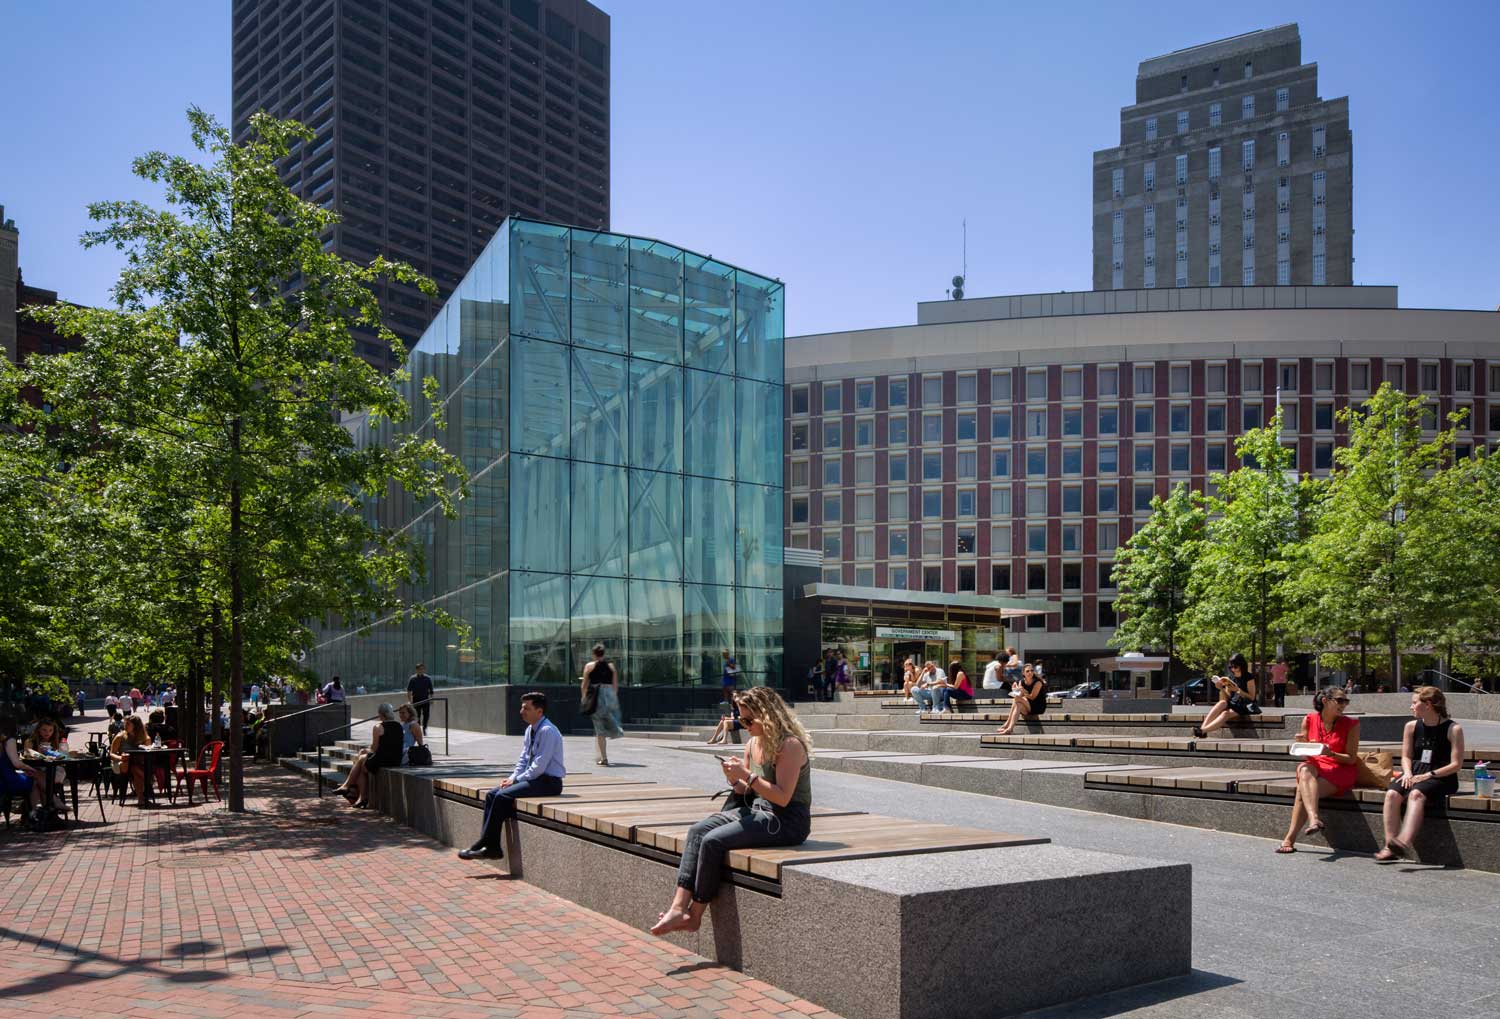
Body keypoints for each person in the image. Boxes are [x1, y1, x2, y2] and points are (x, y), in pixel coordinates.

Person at [650, 687, 812, 936]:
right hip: (758, 810)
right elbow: (745, 792)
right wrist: (734, 780)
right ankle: (678, 907)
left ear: (767, 716)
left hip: (787, 820)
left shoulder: (789, 746)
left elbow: (782, 797)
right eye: (740, 719)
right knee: (697, 831)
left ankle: (695, 915)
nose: (744, 725)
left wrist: (745, 775)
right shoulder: (752, 744)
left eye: (748, 720)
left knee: (713, 841)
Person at [458, 692, 564, 860]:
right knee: (493, 794)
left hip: (549, 782)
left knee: (502, 796)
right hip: (535, 779)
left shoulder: (547, 731)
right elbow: (523, 759)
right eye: (522, 707)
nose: (522, 711)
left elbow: (539, 766)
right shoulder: (531, 729)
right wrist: (513, 777)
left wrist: (517, 780)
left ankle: (490, 846)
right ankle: (486, 843)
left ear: (539, 711)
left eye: (526, 708)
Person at [1377, 687, 1466, 863]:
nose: (1411, 707)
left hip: (1441, 775)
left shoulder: (1453, 729)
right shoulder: (1411, 726)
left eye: (1414, 703)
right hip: (1414, 771)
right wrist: (1408, 773)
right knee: (1392, 794)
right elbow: (1406, 756)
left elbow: (1456, 764)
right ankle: (1389, 846)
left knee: (1416, 794)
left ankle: (1403, 842)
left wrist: (1428, 776)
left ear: (1428, 704)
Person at [1277, 686, 1359, 853]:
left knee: (1302, 790)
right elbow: (1307, 757)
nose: (1344, 705)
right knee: (1305, 768)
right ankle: (1314, 819)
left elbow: (1351, 759)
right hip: (1316, 766)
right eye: (1340, 701)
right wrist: (1303, 744)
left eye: (1346, 701)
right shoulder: (1309, 720)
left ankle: (1290, 838)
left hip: (1340, 769)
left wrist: (1331, 753)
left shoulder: (1351, 724)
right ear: (1325, 701)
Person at [342, 704, 404, 809]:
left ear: (381, 715)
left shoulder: (378, 727)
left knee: (362, 762)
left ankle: (353, 790)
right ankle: (356, 794)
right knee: (362, 754)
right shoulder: (399, 726)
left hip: (382, 760)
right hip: (396, 760)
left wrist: (367, 751)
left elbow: (374, 749)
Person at [1193, 653, 1259, 738]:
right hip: (1234, 703)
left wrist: (1238, 690)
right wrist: (1221, 688)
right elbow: (1228, 697)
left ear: (1241, 665)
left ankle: (1203, 730)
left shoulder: (1248, 677)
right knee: (1222, 703)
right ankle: (1202, 730)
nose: (1233, 669)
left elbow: (1252, 697)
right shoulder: (1230, 677)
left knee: (1225, 714)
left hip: (1245, 704)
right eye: (1231, 667)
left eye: (1235, 667)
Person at [581, 643, 624, 765]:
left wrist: (584, 698)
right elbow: (615, 686)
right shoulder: (611, 667)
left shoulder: (589, 666)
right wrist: (613, 699)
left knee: (599, 729)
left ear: (594, 654)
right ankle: (601, 752)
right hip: (609, 698)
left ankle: (603, 757)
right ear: (604, 654)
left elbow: (584, 684)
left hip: (596, 698)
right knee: (605, 726)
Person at [1, 717, 43, 813]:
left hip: (2, 780)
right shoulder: (9, 739)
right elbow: (16, 763)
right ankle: (34, 812)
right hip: (8, 780)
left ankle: (26, 810)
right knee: (35, 780)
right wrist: (28, 768)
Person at [995, 663, 1047, 735]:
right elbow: (1020, 695)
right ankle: (1010, 728)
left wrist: (1024, 691)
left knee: (1017, 699)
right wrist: (1014, 689)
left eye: (1032, 670)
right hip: (1027, 706)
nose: (1030, 672)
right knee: (1018, 703)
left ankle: (1007, 724)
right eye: (1027, 671)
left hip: (1038, 706)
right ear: (1023, 673)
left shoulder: (1037, 682)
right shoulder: (1021, 682)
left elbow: (1032, 697)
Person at [110, 715, 150, 801]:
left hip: (138, 763)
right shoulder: (120, 736)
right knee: (133, 767)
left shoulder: (145, 738)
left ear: (136, 726)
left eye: (128, 724)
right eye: (125, 723)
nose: (125, 725)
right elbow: (111, 754)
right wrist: (121, 757)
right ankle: (147, 783)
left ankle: (141, 799)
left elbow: (148, 753)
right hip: (121, 763)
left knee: (135, 769)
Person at [406, 663, 435, 729]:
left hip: (425, 699)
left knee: (426, 715)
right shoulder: (413, 679)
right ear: (416, 670)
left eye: (422, 669)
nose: (421, 670)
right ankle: (418, 728)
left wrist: (432, 699)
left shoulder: (427, 678)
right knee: (417, 715)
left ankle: (425, 728)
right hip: (416, 699)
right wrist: (410, 701)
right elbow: (409, 691)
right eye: (419, 669)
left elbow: (431, 690)